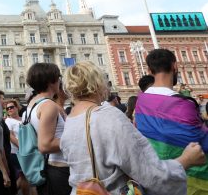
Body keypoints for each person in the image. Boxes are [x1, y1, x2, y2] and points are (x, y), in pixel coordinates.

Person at [61, 61, 206, 194]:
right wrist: (186, 160)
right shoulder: (108, 117)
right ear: (98, 84)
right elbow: (149, 172)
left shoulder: (71, 121)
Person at [135, 49, 208, 193]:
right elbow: (201, 141)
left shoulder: (141, 102)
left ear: (149, 70)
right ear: (175, 66)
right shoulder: (184, 104)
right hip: (188, 181)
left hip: (156, 177)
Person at [23, 63, 70, 195]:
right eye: (59, 77)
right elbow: (45, 145)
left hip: (47, 167)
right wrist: (76, 138)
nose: (60, 81)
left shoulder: (31, 106)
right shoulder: (49, 105)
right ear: (51, 81)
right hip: (60, 168)